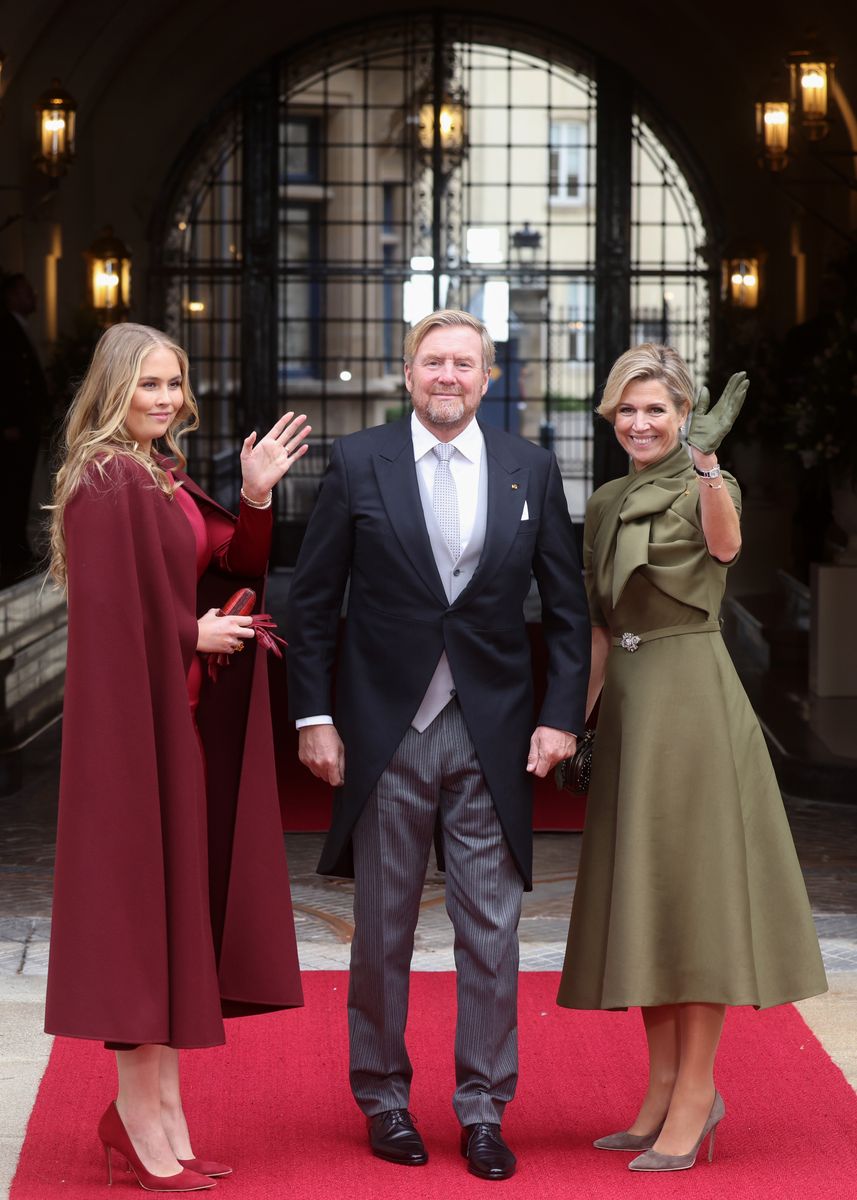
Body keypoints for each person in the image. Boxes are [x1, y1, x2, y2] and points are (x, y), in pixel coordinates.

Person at [285, 309, 590, 1181]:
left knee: (490, 931)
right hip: (387, 731)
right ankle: (382, 1099)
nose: (447, 376)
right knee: (380, 929)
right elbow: (312, 604)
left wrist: (560, 716)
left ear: (487, 378)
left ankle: (484, 1110)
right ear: (406, 374)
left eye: (464, 363)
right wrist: (314, 717)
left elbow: (566, 608)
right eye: (432, 362)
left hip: (493, 730)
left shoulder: (529, 467)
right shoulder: (356, 462)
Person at [44, 323, 309, 1192]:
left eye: (173, 384)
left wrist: (257, 496)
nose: (163, 399)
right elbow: (111, 615)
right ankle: (141, 1120)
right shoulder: (103, 476)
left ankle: (153, 1116)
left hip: (180, 727)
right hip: (130, 738)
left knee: (170, 918)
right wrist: (188, 633)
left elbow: (223, 562)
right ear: (113, 387)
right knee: (137, 922)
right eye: (148, 385)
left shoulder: (159, 471)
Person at [557, 344, 827, 1173]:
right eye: (627, 411)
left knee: (695, 902)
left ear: (683, 417)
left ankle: (696, 1093)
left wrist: (708, 465)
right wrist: (573, 723)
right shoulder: (603, 501)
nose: (641, 424)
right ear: (611, 418)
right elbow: (600, 626)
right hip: (633, 706)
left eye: (657, 411)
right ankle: (661, 1089)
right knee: (647, 900)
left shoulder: (709, 486)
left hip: (694, 703)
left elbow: (723, 549)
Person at [0, 273, 50, 586]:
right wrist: (6, 422)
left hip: (25, 426)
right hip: (12, 429)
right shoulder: (4, 328)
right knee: (10, 487)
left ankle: (14, 548)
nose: (34, 295)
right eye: (27, 290)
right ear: (12, 295)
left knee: (20, 488)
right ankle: (9, 552)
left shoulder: (17, 326)